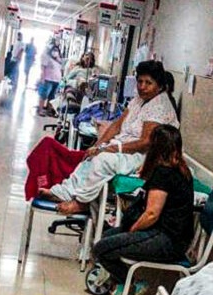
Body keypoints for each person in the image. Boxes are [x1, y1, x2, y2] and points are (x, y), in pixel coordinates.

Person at [37, 60, 179, 214]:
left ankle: (82, 202)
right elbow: (117, 125)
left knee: (103, 160)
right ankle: (64, 192)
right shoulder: (138, 100)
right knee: (90, 156)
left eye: (148, 83)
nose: (142, 86)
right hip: (124, 147)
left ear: (159, 86)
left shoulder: (160, 106)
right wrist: (97, 145)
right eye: (140, 81)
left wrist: (113, 148)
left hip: (143, 156)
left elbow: (146, 142)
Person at [92, 124, 194, 295]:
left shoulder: (164, 174)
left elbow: (151, 214)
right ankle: (120, 283)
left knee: (101, 249)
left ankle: (132, 284)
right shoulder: (181, 170)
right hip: (175, 239)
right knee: (107, 236)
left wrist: (133, 230)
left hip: (166, 240)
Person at [37, 45, 63, 116]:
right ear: (51, 51)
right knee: (44, 95)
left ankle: (49, 111)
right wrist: (42, 78)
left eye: (56, 51)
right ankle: (40, 110)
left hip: (56, 81)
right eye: (54, 50)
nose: (55, 52)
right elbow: (43, 68)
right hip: (48, 79)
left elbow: (60, 70)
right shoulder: (47, 58)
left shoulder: (59, 61)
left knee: (52, 97)